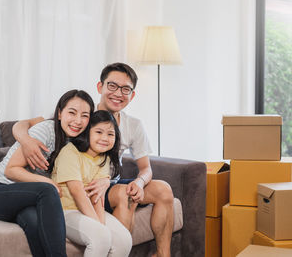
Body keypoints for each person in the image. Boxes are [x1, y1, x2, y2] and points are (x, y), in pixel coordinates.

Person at [13, 63, 174, 257]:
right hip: (84, 186)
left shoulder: (134, 125)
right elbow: (28, 124)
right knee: (125, 195)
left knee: (163, 189)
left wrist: (139, 183)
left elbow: (145, 168)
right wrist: (25, 139)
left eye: (126, 89)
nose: (118, 93)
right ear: (100, 87)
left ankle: (163, 255)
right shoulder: (84, 115)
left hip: (107, 181)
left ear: (132, 95)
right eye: (112, 86)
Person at [0, 89, 95, 257]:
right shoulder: (46, 130)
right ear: (60, 113)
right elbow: (11, 170)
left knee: (35, 223)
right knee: (46, 190)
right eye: (72, 112)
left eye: (85, 115)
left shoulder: (76, 141)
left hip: (25, 200)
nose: (78, 120)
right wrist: (48, 183)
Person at [52, 110, 130, 257]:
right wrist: (99, 227)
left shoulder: (104, 157)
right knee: (100, 236)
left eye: (110, 134)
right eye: (99, 132)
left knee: (124, 241)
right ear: (87, 132)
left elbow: (97, 196)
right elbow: (77, 192)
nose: (104, 138)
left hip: (88, 209)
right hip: (64, 211)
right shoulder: (70, 152)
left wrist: (100, 223)